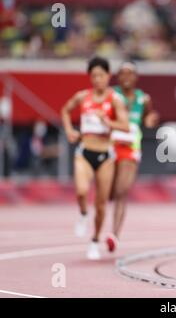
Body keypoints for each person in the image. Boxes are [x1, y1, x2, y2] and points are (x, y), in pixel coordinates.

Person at [61, 56, 129, 260]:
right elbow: (65, 110)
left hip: (105, 155)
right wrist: (69, 130)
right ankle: (82, 213)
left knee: (100, 205)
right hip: (85, 151)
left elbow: (125, 126)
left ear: (108, 76)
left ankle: (94, 240)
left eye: (101, 75)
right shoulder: (83, 97)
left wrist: (108, 121)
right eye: (94, 76)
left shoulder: (114, 100)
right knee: (81, 191)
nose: (98, 79)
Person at [106, 61, 159, 252]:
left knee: (122, 191)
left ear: (136, 77)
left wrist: (149, 119)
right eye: (123, 73)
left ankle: (114, 235)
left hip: (130, 148)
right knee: (108, 191)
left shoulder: (143, 99)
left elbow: (148, 116)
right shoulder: (111, 95)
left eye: (130, 73)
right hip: (110, 147)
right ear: (118, 77)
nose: (127, 77)